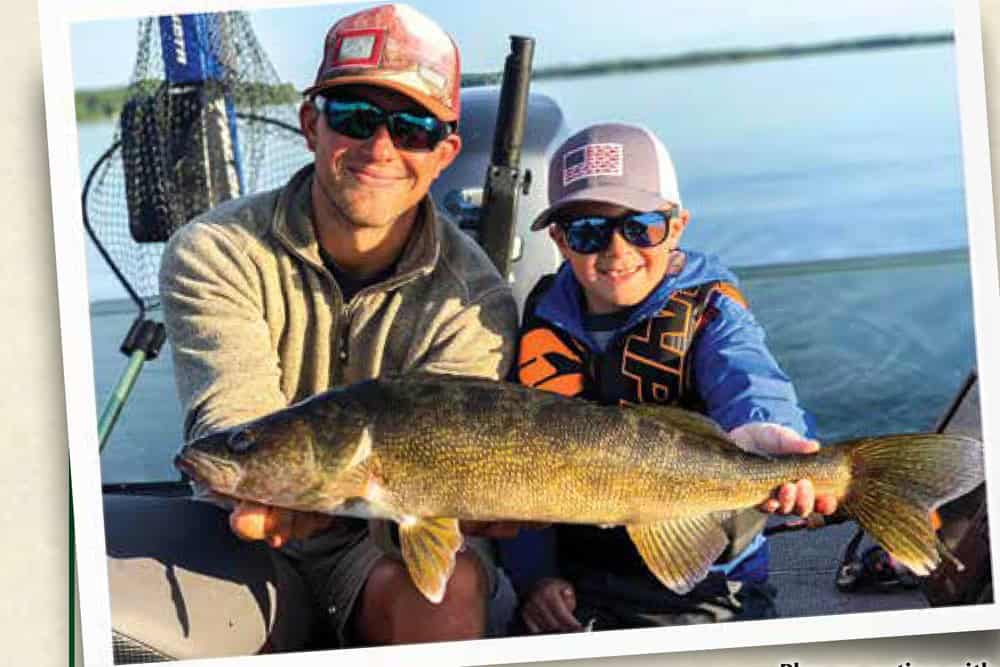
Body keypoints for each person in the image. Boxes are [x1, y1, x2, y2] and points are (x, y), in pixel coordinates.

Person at [159, 3, 521, 647]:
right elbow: (235, 420)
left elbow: (439, 496)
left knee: (447, 590)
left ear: (445, 153)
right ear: (310, 124)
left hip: (385, 545)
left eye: (412, 128)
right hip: (245, 532)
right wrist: (274, 495)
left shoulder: (476, 302)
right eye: (354, 116)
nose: (380, 148)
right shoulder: (213, 249)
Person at [507, 122, 839, 633]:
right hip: (581, 580)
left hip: (710, 580)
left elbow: (748, 376)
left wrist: (769, 433)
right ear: (558, 240)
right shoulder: (538, 319)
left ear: (677, 226)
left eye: (640, 227)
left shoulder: (711, 312)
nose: (617, 251)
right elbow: (511, 468)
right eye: (588, 232)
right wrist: (535, 577)